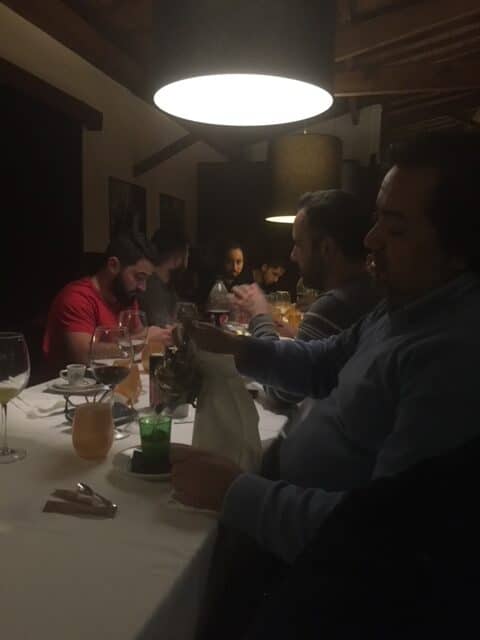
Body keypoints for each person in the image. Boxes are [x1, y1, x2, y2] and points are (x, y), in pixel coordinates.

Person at [171, 131, 480, 565]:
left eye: (395, 228)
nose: (370, 240)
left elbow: (381, 536)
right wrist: (233, 347)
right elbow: (322, 362)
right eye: (376, 220)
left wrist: (233, 491)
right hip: (281, 499)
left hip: (309, 566)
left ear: (460, 249)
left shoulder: (452, 357)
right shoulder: (403, 307)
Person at [234, 190, 379, 405]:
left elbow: (281, 392)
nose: (293, 255)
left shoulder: (337, 305)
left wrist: (259, 316)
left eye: (299, 244)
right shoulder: (370, 290)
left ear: (326, 248)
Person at [43, 232, 171, 369]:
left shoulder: (126, 296)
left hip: (112, 377)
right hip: (72, 381)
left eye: (146, 280)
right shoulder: (77, 298)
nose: (143, 287)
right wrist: (143, 341)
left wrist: (163, 335)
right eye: (139, 277)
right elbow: (82, 355)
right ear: (113, 265)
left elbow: (137, 338)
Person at [140, 228, 189, 326]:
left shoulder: (166, 285)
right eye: (186, 255)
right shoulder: (152, 286)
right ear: (176, 259)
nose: (187, 260)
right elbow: (164, 327)